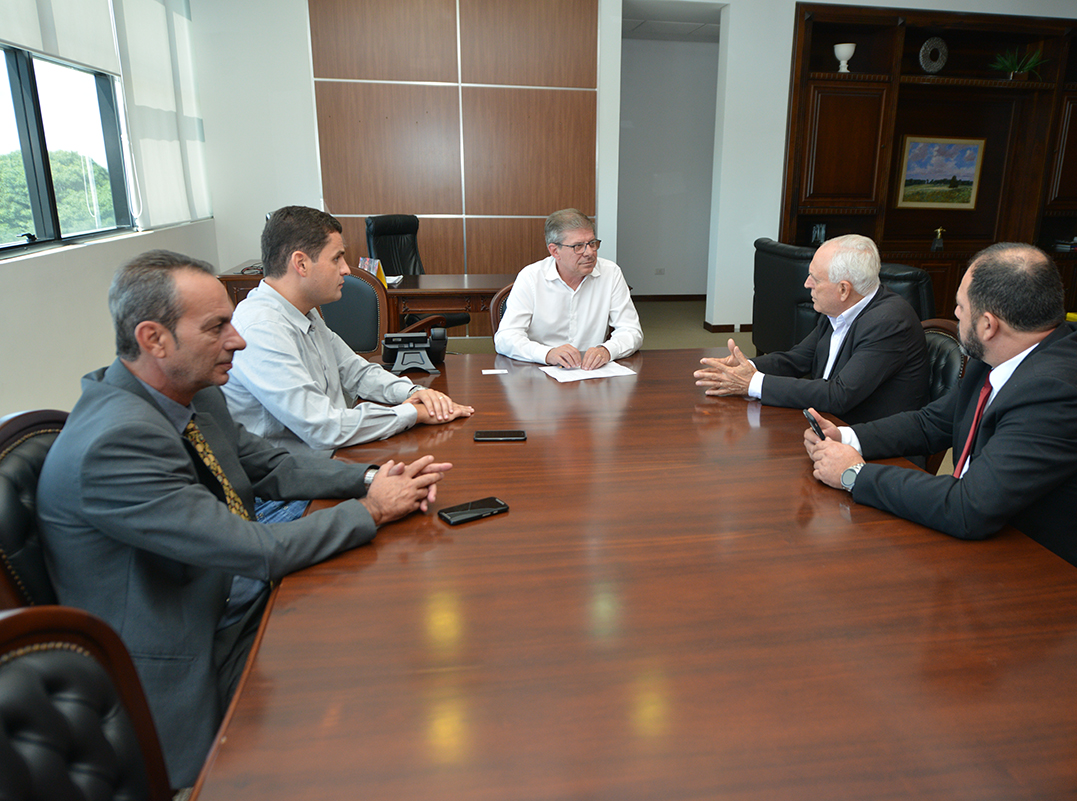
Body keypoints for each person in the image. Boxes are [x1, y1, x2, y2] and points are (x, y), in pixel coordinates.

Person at [37, 250, 452, 789]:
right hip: (191, 659)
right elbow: (256, 550)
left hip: (234, 604)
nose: (238, 340)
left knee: (391, 635)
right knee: (375, 707)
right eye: (217, 327)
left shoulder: (190, 394)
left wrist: (372, 478)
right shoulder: (114, 443)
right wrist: (373, 509)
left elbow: (272, 465)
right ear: (153, 339)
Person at [804, 243, 1077, 596]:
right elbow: (931, 423)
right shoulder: (1001, 357)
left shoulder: (1058, 393)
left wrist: (854, 474)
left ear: (989, 325)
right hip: (994, 549)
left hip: (1060, 586)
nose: (955, 313)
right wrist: (846, 437)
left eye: (960, 306)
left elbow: (969, 506)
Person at [223, 205, 473, 460]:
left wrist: (413, 393)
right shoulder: (261, 329)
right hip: (291, 480)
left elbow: (357, 371)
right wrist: (412, 413)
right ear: (301, 264)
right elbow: (323, 427)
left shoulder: (303, 312)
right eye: (336, 259)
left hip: (329, 460)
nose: (346, 269)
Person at [694, 234, 929, 425]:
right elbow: (797, 359)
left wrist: (753, 383)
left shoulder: (889, 323)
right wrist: (745, 367)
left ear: (843, 290)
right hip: (827, 424)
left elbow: (839, 395)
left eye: (815, 278)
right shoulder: (838, 309)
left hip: (870, 445)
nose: (807, 284)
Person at [494, 208, 643, 369]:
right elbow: (506, 337)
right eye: (578, 246)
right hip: (539, 370)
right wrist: (547, 353)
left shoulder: (611, 273)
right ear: (554, 251)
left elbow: (631, 331)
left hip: (591, 371)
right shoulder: (531, 277)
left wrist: (607, 350)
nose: (589, 252)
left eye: (592, 243)